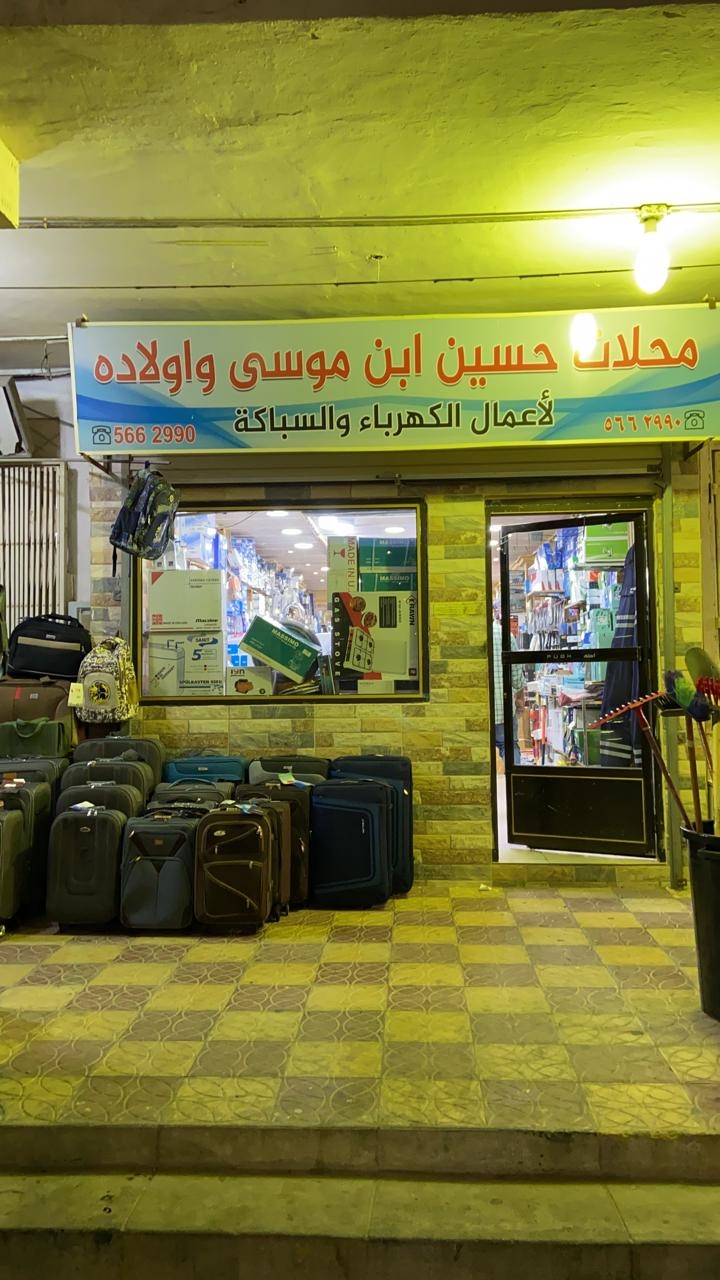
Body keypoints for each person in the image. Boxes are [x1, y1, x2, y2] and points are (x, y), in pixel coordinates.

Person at [492, 615, 524, 766]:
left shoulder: (470, 635)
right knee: (510, 747)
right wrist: (519, 701)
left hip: (476, 712)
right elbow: (516, 675)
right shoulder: (505, 635)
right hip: (503, 709)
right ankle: (514, 780)